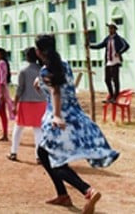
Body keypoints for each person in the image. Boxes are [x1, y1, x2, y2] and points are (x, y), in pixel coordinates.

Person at [35, 34, 118, 213]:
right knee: (43, 153)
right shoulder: (62, 65)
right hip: (76, 117)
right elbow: (54, 85)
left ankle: (88, 190)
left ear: (38, 52)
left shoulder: (46, 70)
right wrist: (40, 82)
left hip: (60, 120)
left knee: (56, 161)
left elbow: (56, 91)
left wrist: (57, 116)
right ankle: (63, 194)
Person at [8, 47, 46, 162]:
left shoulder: (24, 71)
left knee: (18, 128)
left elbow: (20, 89)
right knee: (38, 130)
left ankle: (13, 152)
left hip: (26, 102)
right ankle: (39, 156)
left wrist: (14, 104)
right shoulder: (42, 69)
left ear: (27, 57)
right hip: (40, 102)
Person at [90, 23, 131, 103]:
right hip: (108, 61)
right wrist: (90, 46)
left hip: (115, 61)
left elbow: (126, 45)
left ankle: (115, 97)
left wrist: (119, 52)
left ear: (115, 29)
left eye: (111, 28)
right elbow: (100, 45)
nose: (110, 30)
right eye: (109, 28)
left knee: (115, 80)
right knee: (107, 79)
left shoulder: (118, 38)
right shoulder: (107, 39)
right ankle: (111, 95)